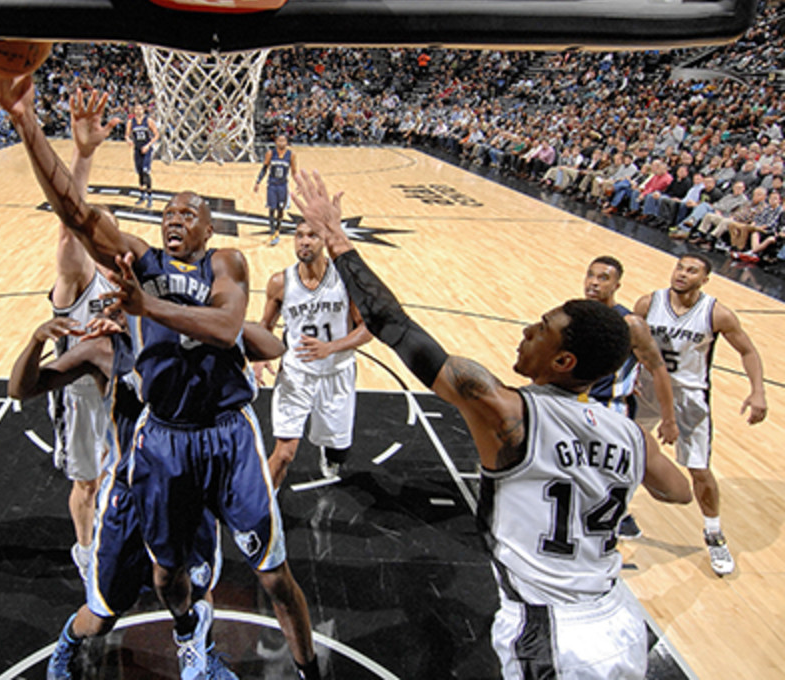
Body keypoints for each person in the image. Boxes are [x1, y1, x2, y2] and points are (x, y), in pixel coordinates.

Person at [0, 67, 322, 680]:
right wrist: (27, 123)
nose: (175, 218)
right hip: (160, 441)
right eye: (168, 211)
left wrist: (149, 308)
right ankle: (189, 639)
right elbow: (75, 214)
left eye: (189, 212)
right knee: (163, 575)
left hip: (227, 432)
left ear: (210, 226)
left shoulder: (227, 263)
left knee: (271, 572)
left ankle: (307, 667)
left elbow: (226, 328)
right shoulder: (135, 265)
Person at [291, 169, 693, 680]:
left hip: (552, 633)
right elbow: (677, 491)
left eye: (542, 329)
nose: (527, 330)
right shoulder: (630, 436)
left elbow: (394, 325)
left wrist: (338, 240)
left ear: (564, 361)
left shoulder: (506, 414)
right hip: (618, 621)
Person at [10, 312, 285, 679]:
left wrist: (209, 315)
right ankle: (69, 643)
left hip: (184, 486)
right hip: (131, 498)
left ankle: (201, 655)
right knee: (101, 617)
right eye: (114, 304)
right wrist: (36, 341)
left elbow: (272, 345)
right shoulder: (102, 351)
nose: (118, 310)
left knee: (197, 591)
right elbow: (19, 388)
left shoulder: (193, 339)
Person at [633, 254, 768, 576]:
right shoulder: (648, 303)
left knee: (699, 470)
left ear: (705, 279)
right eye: (679, 267)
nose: (682, 274)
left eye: (691, 271)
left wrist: (758, 390)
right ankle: (613, 514)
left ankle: (713, 532)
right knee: (623, 455)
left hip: (689, 399)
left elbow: (748, 351)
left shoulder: (716, 313)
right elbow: (627, 342)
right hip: (646, 391)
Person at [47, 89, 121, 584]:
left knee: (124, 479)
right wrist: (83, 155)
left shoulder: (128, 280)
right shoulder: (76, 276)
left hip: (122, 389)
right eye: (98, 233)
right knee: (87, 483)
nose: (107, 240)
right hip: (79, 395)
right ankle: (85, 549)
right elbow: (68, 226)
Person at [256, 220, 372, 487]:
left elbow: (368, 329)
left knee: (339, 452)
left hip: (336, 373)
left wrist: (330, 348)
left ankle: (331, 452)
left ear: (325, 242)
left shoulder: (345, 281)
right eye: (299, 236)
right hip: (296, 375)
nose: (304, 241)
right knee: (284, 453)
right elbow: (266, 326)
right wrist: (260, 356)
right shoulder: (279, 282)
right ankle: (264, 512)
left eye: (312, 236)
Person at [581, 256, 678, 539]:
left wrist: (669, 419)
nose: (594, 282)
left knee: (607, 470)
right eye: (591, 275)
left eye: (603, 278)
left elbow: (658, 370)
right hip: (575, 403)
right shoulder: (576, 314)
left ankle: (617, 516)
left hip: (610, 408)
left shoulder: (630, 324)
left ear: (617, 285)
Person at [254, 134, 297, 246]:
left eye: (284, 140)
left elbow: (294, 172)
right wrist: (258, 182)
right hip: (272, 185)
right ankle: (273, 232)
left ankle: (277, 229)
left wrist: (299, 184)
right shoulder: (270, 153)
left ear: (287, 142)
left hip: (283, 185)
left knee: (280, 209)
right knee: (272, 208)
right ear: (276, 142)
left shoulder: (291, 155)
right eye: (279, 140)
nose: (281, 142)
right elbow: (264, 168)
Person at [125, 102, 159, 208]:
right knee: (140, 173)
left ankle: (150, 196)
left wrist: (148, 145)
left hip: (147, 149)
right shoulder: (131, 122)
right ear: (134, 111)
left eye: (140, 109)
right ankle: (142, 195)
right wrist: (128, 140)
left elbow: (156, 135)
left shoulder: (148, 121)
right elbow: (126, 135)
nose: (138, 111)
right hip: (137, 149)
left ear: (143, 110)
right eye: (137, 109)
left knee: (146, 171)